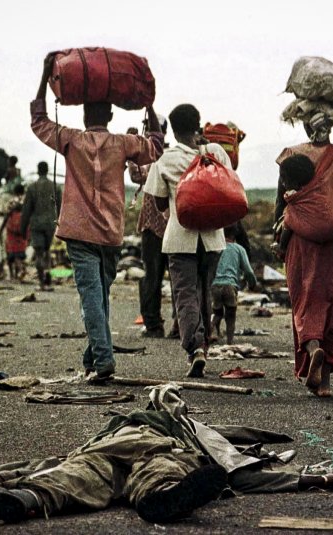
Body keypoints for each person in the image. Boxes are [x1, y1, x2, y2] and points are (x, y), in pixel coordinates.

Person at [0, 385, 333, 525]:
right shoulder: (152, 426)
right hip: (123, 453)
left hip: (141, 455)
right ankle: (12, 502)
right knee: (69, 476)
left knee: (77, 477)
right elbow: (238, 456)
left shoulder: (186, 429)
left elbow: (241, 456)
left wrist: (317, 478)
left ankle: (164, 500)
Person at [31, 53, 163, 383]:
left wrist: (44, 74)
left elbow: (39, 120)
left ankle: (103, 359)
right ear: (111, 113)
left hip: (79, 231)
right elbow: (157, 145)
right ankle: (92, 358)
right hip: (111, 233)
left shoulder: (72, 140)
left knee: (92, 296)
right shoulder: (122, 143)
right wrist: (149, 105)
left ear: (85, 112)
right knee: (99, 296)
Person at [275, 116, 333, 398]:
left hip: (301, 246)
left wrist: (279, 244)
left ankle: (313, 349)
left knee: (304, 304)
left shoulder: (291, 158)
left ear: (305, 124)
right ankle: (323, 384)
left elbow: (281, 209)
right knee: (331, 306)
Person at [144, 104, 229, 378]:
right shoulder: (216, 153)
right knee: (204, 289)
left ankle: (196, 348)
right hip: (213, 237)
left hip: (181, 237)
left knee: (185, 293)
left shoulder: (165, 160)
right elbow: (229, 185)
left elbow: (157, 201)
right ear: (199, 124)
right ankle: (204, 341)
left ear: (173, 127)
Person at [129, 119, 172, 338]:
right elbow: (136, 176)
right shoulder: (153, 156)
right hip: (164, 226)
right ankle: (157, 323)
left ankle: (158, 324)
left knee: (157, 276)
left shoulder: (160, 157)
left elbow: (138, 175)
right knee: (163, 276)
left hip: (162, 226)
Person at [210, 224, 258, 344]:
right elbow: (248, 271)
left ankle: (209, 329)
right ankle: (229, 342)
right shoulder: (239, 249)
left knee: (217, 313)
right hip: (230, 286)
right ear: (235, 234)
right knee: (230, 317)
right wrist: (252, 283)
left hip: (215, 286)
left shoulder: (215, 248)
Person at [21, 161, 60, 291]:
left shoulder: (32, 187)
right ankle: (48, 280)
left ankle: (42, 283)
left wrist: (23, 227)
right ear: (47, 170)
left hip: (37, 224)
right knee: (47, 252)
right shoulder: (55, 187)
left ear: (38, 171)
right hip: (51, 224)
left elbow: (26, 210)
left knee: (38, 254)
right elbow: (61, 207)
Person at [0, 184, 27, 281]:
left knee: (11, 251)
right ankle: (18, 272)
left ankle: (13, 274)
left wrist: (0, 230)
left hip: (12, 228)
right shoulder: (26, 200)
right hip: (23, 228)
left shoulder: (12, 201)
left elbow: (7, 216)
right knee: (19, 251)